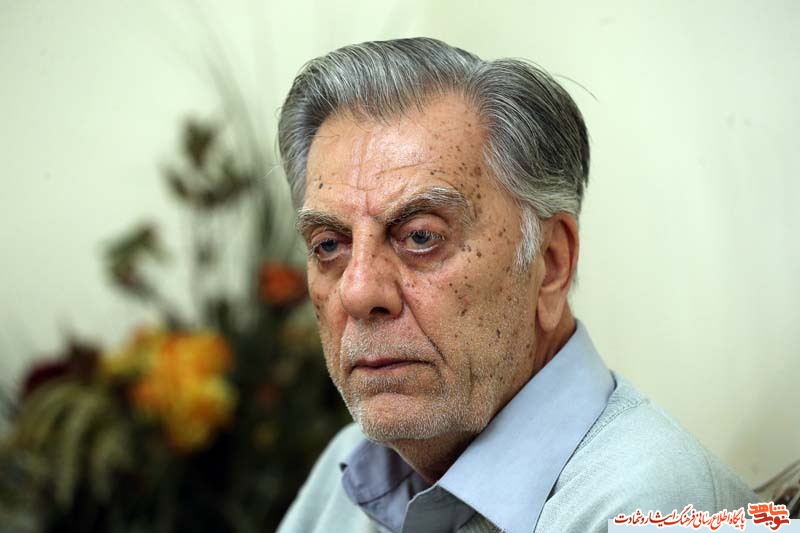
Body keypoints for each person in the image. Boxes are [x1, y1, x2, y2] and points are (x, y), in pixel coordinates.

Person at [275, 37, 757, 533]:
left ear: (550, 264)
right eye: (329, 245)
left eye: (420, 236)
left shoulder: (653, 506)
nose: (357, 292)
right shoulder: (348, 469)